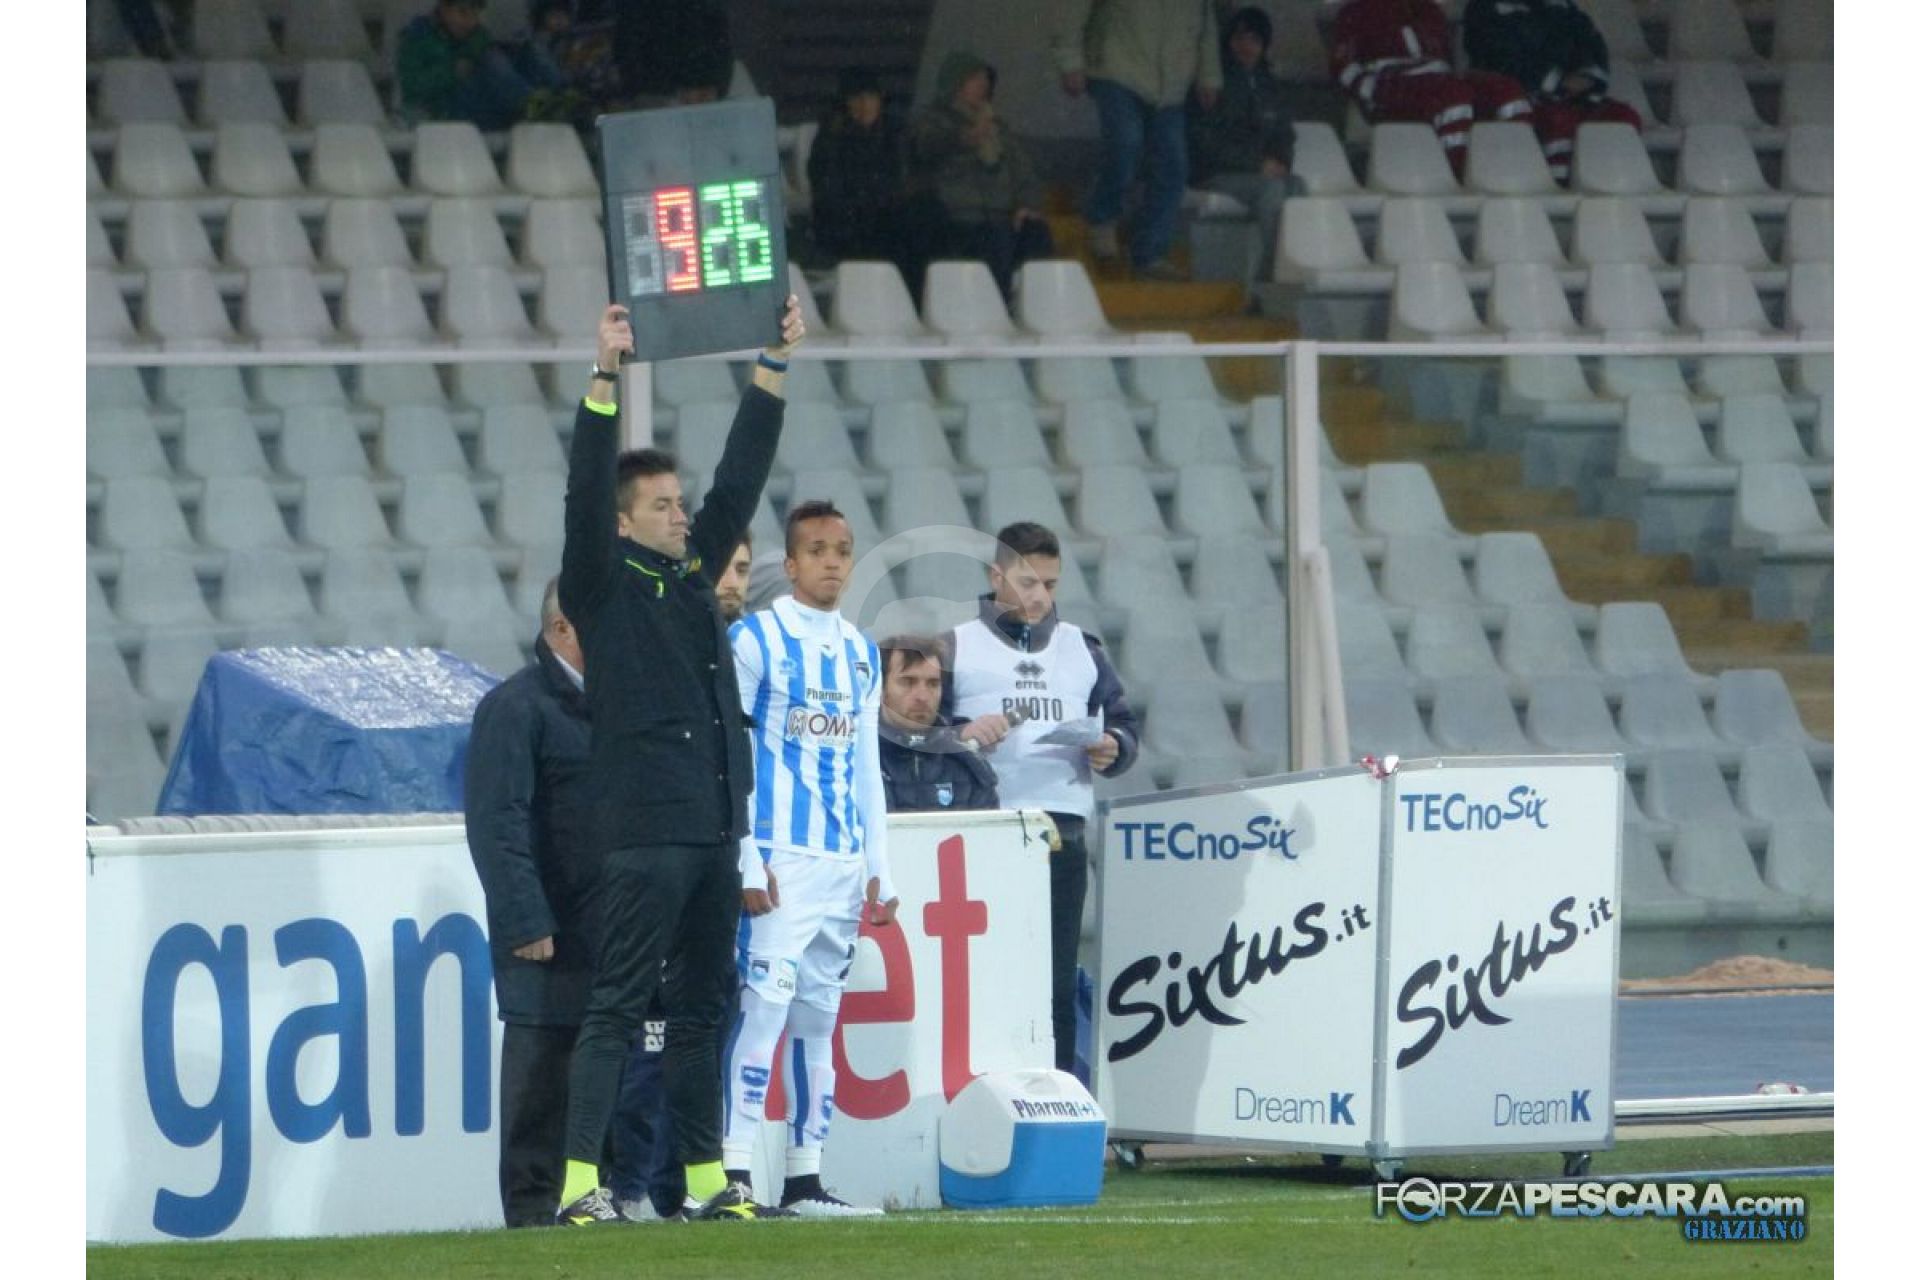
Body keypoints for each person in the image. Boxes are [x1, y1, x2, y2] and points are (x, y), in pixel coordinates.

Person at [552, 296, 805, 1226]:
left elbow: (741, 476)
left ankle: (705, 1182)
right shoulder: (600, 581)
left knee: (703, 1012)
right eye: (660, 504)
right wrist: (604, 378)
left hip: (711, 829)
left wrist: (773, 364)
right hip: (642, 830)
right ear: (622, 524)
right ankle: (579, 1185)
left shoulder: (694, 573)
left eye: (677, 501)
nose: (680, 512)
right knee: (618, 1007)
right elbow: (584, 489)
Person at [721, 501, 896, 1217]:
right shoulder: (754, 639)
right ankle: (734, 1174)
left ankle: (804, 1180)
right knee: (763, 1011)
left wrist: (880, 864)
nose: (832, 562)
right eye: (817, 550)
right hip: (780, 858)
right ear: (791, 564)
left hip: (841, 864)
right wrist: (746, 856)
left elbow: (867, 766)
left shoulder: (861, 652)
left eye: (842, 550)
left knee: (819, 1022)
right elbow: (733, 754)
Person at [939, 522, 1141, 1075]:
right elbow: (920, 732)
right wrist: (961, 734)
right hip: (985, 830)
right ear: (995, 575)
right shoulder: (954, 646)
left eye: (1050, 585)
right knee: (986, 975)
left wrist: (1112, 747)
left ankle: (1056, 1093)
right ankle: (983, 1087)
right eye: (1027, 582)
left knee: (1055, 979)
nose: (1039, 597)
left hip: (1062, 830)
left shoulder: (1083, 649)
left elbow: (1124, 726)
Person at [604, 530, 757, 1223]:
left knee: (708, 1026)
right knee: (649, 1039)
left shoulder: (740, 650)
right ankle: (631, 1185)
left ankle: (683, 1186)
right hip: (667, 855)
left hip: (724, 861)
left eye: (743, 570)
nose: (732, 583)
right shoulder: (659, 643)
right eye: (723, 568)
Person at [462, 579, 595, 1228]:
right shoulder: (514, 707)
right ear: (563, 627)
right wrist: (525, 918)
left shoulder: (613, 704)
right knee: (541, 1069)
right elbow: (497, 822)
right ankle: (534, 1213)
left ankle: (591, 1199)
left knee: (595, 1068)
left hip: (603, 923)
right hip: (546, 929)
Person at [1053, 0, 1223, 280]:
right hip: (1116, 68)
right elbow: (1073, 9)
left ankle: (1149, 252)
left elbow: (1207, 26)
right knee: (1125, 143)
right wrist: (1070, 61)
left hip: (1172, 83)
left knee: (1173, 168)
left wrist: (1209, 75)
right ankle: (1102, 218)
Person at [909, 52, 1056, 302]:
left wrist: (1026, 204)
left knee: (1034, 235)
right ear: (956, 83)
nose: (983, 85)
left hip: (1000, 218)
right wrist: (966, 137)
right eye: (974, 79)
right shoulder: (933, 121)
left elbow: (1024, 173)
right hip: (956, 218)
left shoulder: (999, 129)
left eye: (984, 79)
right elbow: (928, 147)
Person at [1329, 0, 1534, 177]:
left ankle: (1517, 174)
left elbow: (1446, 60)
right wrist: (1373, 90)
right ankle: (1458, 177)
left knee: (1507, 91)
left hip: (1440, 80)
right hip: (1393, 88)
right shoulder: (1355, 12)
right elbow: (1343, 66)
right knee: (1453, 96)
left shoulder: (1429, 10)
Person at [1462, 0, 1642, 184]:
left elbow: (1591, 44)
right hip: (1527, 98)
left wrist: (1587, 77)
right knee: (1559, 120)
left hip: (1574, 97)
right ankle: (1558, 188)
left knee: (1621, 117)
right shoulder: (1484, 8)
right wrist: (1556, 82)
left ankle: (1614, 189)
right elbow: (1497, 57)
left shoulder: (1563, 6)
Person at [1187, 6, 1305, 280]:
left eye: (1254, 39)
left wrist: (1280, 162)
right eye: (1239, 38)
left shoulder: (1270, 85)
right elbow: (1204, 141)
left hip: (1256, 172)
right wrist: (1256, 164)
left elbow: (1284, 134)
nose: (1246, 46)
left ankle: (1295, 266)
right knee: (1271, 190)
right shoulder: (1211, 83)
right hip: (1213, 173)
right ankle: (1272, 275)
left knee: (1297, 186)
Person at [809, 68, 938, 298]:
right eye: (857, 98)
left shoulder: (896, 133)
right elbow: (829, 189)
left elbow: (911, 177)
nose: (864, 104)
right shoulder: (831, 138)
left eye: (870, 97)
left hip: (891, 216)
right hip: (850, 222)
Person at [876, 635, 1001, 813]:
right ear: (880, 687)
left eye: (933, 684)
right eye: (908, 682)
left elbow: (991, 829)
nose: (922, 696)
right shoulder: (853, 758)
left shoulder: (969, 766)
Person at [395, 0, 537, 130]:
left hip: (476, 107)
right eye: (463, 13)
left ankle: (535, 104)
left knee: (519, 53)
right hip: (439, 110)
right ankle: (531, 105)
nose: (470, 22)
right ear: (444, 9)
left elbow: (482, 38)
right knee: (491, 60)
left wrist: (467, 56)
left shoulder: (475, 35)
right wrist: (451, 71)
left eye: (475, 15)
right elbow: (411, 85)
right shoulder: (418, 37)